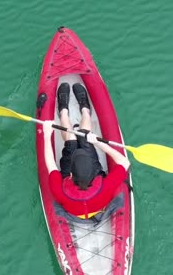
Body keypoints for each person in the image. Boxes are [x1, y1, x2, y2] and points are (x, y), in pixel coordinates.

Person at [42, 82, 130, 219]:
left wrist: (47, 135)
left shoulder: (60, 191)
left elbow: (50, 165)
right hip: (93, 189)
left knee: (70, 139)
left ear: (71, 174)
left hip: (75, 186)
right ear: (94, 172)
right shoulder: (105, 186)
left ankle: (64, 112)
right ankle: (85, 110)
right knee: (84, 134)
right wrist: (98, 143)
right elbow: (124, 162)